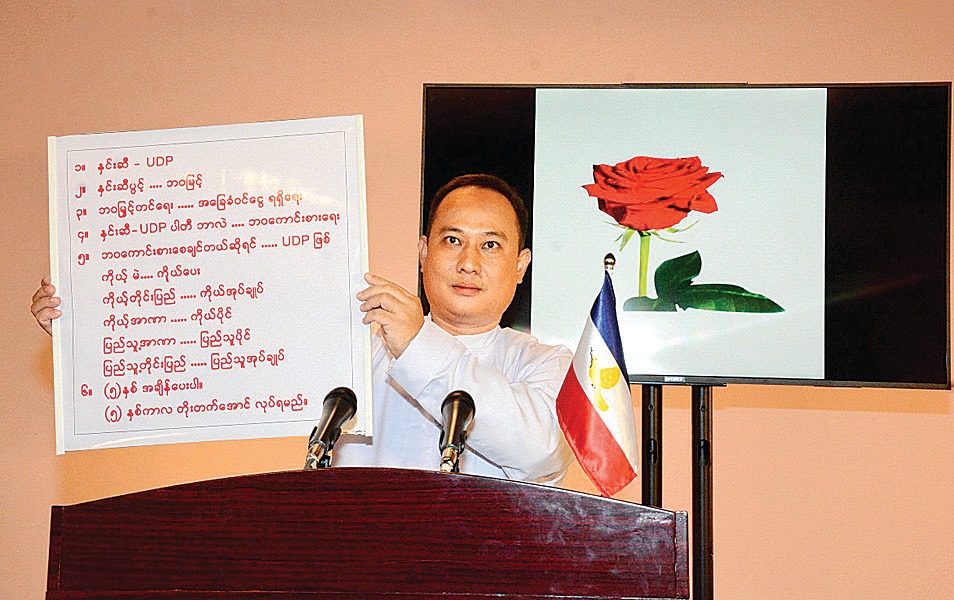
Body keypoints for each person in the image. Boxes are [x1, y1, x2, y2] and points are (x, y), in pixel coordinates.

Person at [31, 174, 574, 485]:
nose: (469, 262)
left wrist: (418, 343)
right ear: (423, 251)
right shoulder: (355, 341)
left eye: (490, 245)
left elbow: (539, 451)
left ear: (521, 265)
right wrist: (93, 332)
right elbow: (221, 369)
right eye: (452, 240)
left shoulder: (545, 363)